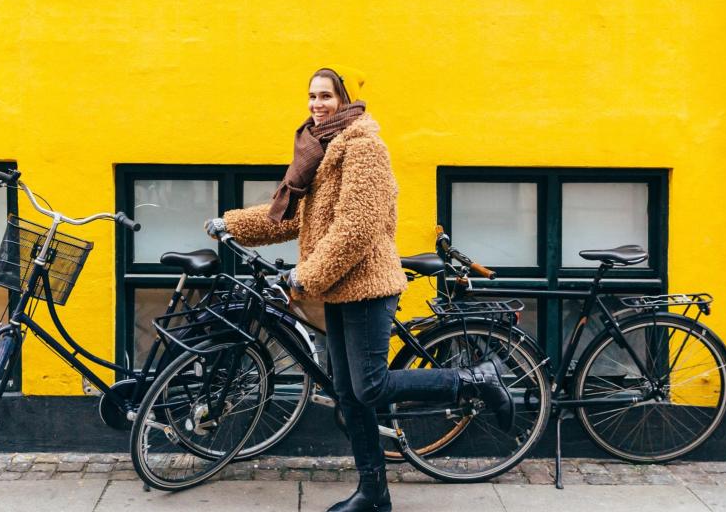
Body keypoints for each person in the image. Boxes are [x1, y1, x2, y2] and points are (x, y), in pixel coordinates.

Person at [205, 66, 514, 512]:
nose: (317, 104)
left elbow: (357, 227)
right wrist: (231, 224)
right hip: (336, 290)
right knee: (350, 396)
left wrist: (306, 276)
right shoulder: (318, 150)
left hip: (367, 287)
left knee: (368, 388)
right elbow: (291, 216)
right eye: (311, 96)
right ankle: (373, 494)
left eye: (325, 96)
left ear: (343, 100)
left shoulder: (364, 147)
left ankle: (475, 379)